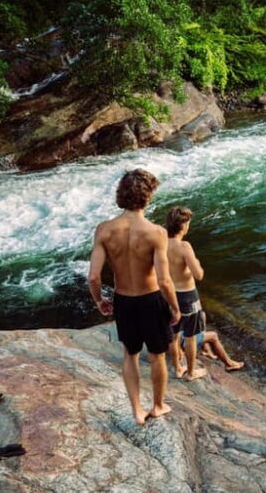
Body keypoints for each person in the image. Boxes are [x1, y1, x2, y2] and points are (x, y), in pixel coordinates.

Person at [88, 168, 181, 425]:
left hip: (123, 300)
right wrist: (175, 307)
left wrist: (99, 300)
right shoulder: (156, 233)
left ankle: (137, 411)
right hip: (151, 299)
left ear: (121, 194)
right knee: (157, 355)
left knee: (130, 354)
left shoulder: (104, 230)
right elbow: (164, 280)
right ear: (147, 196)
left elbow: (93, 277)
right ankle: (159, 405)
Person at [166, 206, 244, 380]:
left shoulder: (162, 243)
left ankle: (178, 368)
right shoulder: (184, 246)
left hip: (170, 295)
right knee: (191, 335)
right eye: (188, 223)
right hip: (187, 296)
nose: (189, 226)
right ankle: (191, 372)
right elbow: (198, 275)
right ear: (183, 225)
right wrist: (197, 263)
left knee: (174, 334)